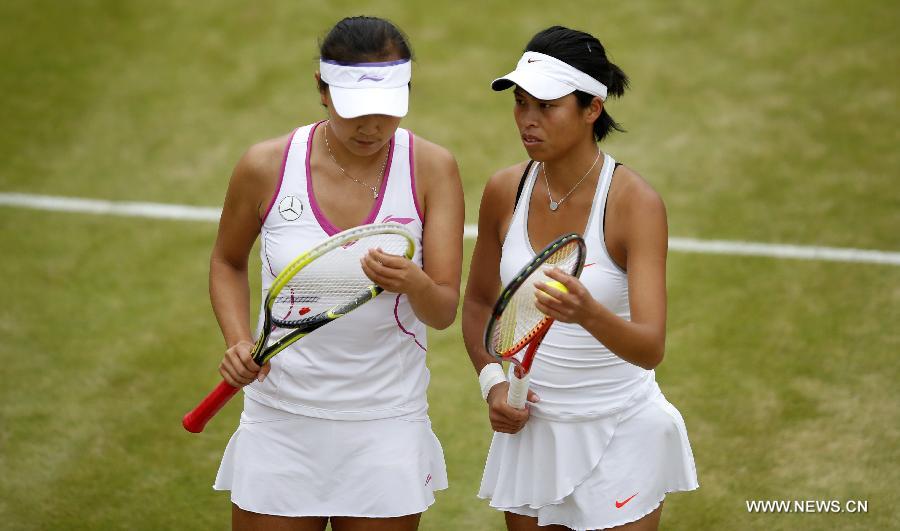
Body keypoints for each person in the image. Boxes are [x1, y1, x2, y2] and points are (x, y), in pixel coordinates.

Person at [209, 16, 464, 531]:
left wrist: (412, 281)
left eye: (385, 110)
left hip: (385, 423)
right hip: (280, 420)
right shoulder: (264, 165)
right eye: (355, 110)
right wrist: (238, 341)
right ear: (322, 91)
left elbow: (441, 311)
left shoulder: (434, 169)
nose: (371, 126)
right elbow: (227, 261)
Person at [462, 26, 698, 531]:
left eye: (546, 106)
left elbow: (650, 347)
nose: (527, 120)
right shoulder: (504, 190)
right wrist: (493, 385)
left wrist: (587, 313)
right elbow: (480, 303)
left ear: (592, 108)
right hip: (532, 433)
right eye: (521, 103)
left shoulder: (635, 204)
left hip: (622, 430)